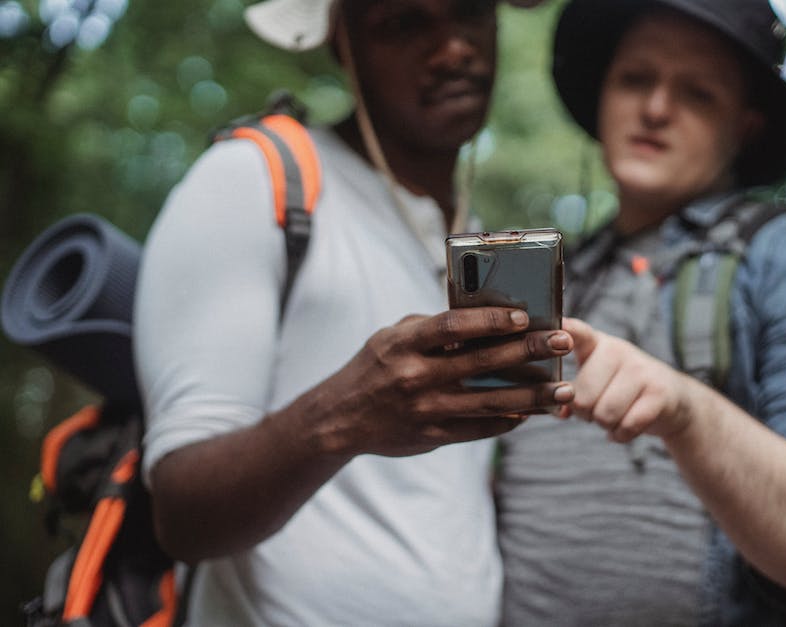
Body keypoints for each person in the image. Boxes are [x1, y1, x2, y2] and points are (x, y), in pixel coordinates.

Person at [133, 0, 571, 624]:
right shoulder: (254, 178)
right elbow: (182, 515)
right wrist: (344, 420)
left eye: (470, 11)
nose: (452, 50)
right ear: (344, 45)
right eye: (404, 24)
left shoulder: (473, 245)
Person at [496, 0, 786, 625]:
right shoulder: (547, 277)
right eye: (635, 79)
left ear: (742, 126)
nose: (656, 108)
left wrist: (686, 413)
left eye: (698, 92)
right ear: (603, 93)